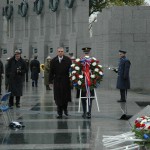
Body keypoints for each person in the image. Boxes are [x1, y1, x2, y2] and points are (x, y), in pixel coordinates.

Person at [49, 47, 72, 119]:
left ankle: (65, 109)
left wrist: (72, 80)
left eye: (62, 51)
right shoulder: (53, 61)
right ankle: (59, 112)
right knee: (58, 97)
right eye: (59, 51)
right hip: (57, 81)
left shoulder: (68, 60)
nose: (60, 52)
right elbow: (51, 72)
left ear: (63, 52)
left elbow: (71, 71)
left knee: (65, 97)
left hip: (66, 81)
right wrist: (50, 81)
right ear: (57, 52)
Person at [80, 47, 94, 119]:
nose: (86, 54)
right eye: (85, 53)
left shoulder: (93, 61)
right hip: (82, 82)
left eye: (87, 52)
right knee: (83, 98)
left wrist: (92, 73)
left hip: (90, 82)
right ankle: (84, 111)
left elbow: (96, 70)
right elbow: (78, 70)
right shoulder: (80, 61)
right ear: (83, 53)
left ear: (89, 53)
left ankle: (89, 112)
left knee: (90, 98)